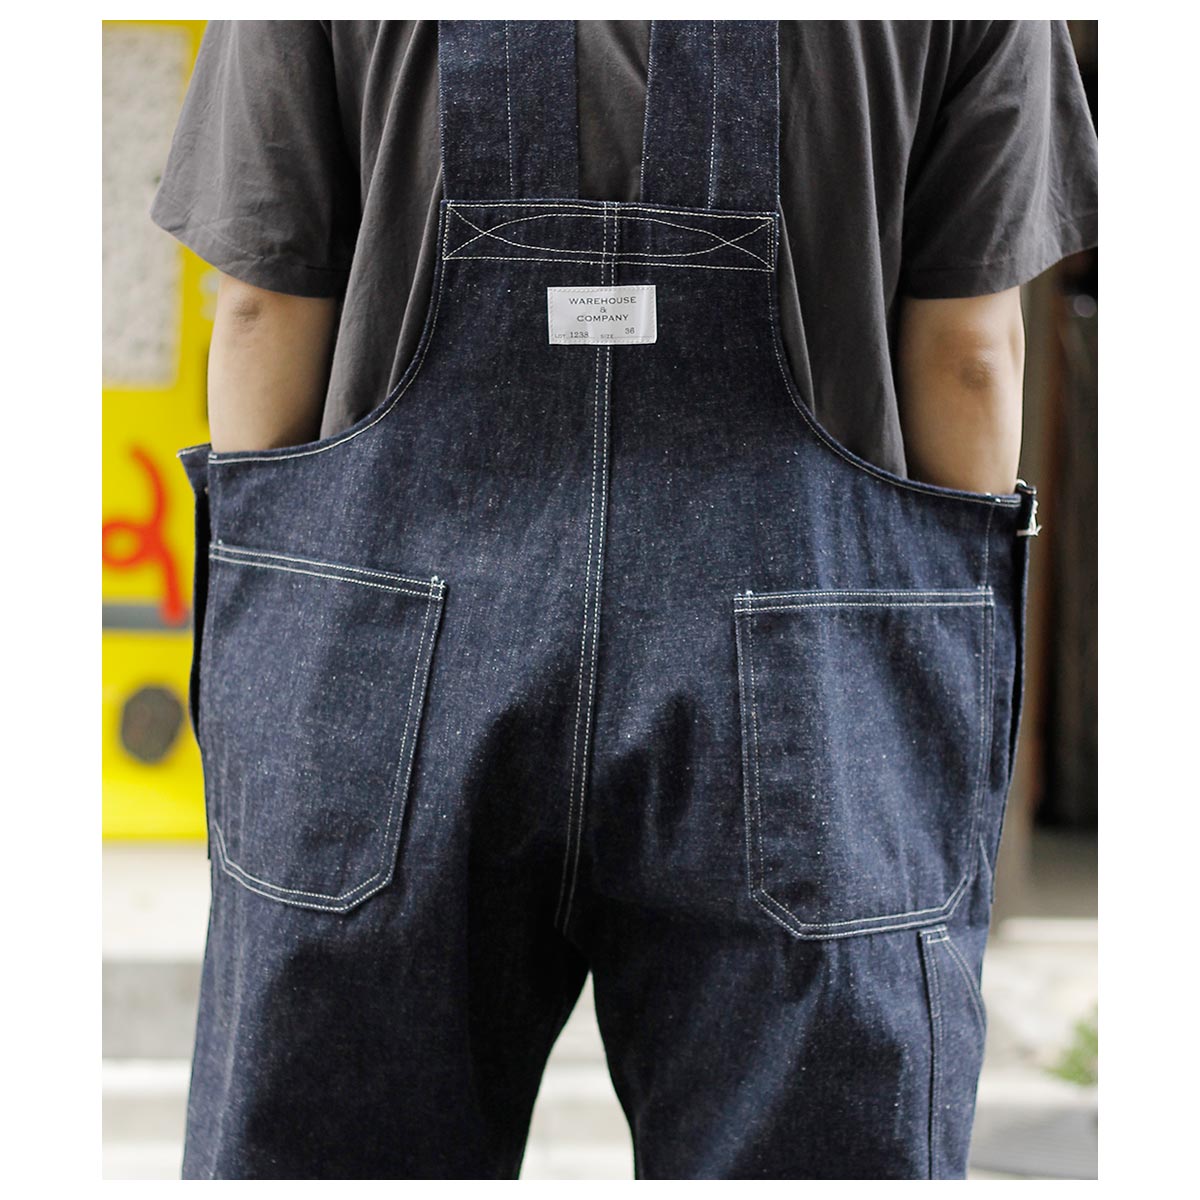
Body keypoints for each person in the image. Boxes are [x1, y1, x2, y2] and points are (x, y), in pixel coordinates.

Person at [150, 20, 1098, 1179]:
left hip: (387, 652)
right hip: (806, 664)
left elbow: (261, 309)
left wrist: (306, 626)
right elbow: (970, 353)